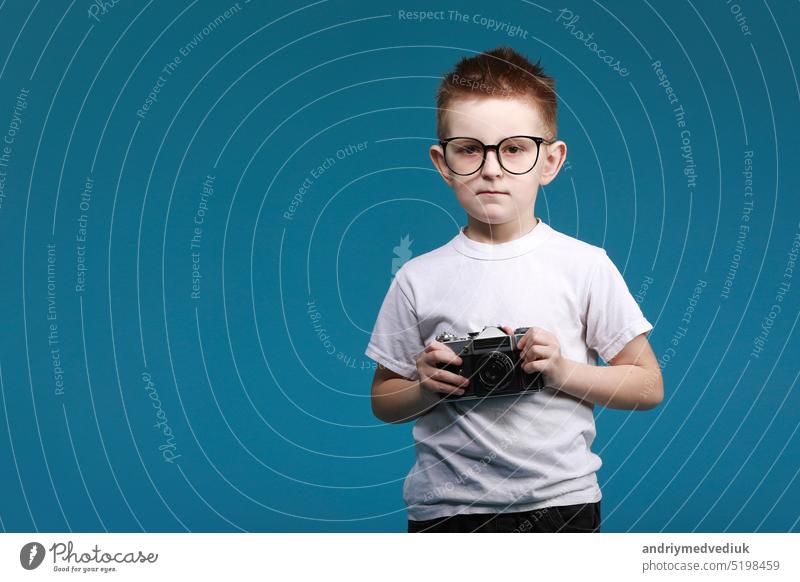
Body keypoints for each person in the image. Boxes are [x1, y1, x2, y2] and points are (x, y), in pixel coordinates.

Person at [365, 46, 663, 533]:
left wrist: (560, 369)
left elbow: (648, 386)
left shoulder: (585, 265)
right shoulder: (417, 277)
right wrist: (426, 388)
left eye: (514, 148)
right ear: (443, 162)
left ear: (550, 160)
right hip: (445, 511)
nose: (491, 168)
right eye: (469, 148)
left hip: (561, 505)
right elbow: (384, 402)